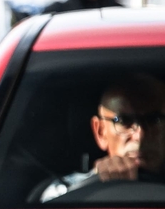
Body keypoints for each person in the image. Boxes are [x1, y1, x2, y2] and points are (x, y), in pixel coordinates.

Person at [35, 73, 165, 201]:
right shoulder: (63, 191)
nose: (140, 135)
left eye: (155, 120)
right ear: (101, 132)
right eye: (123, 121)